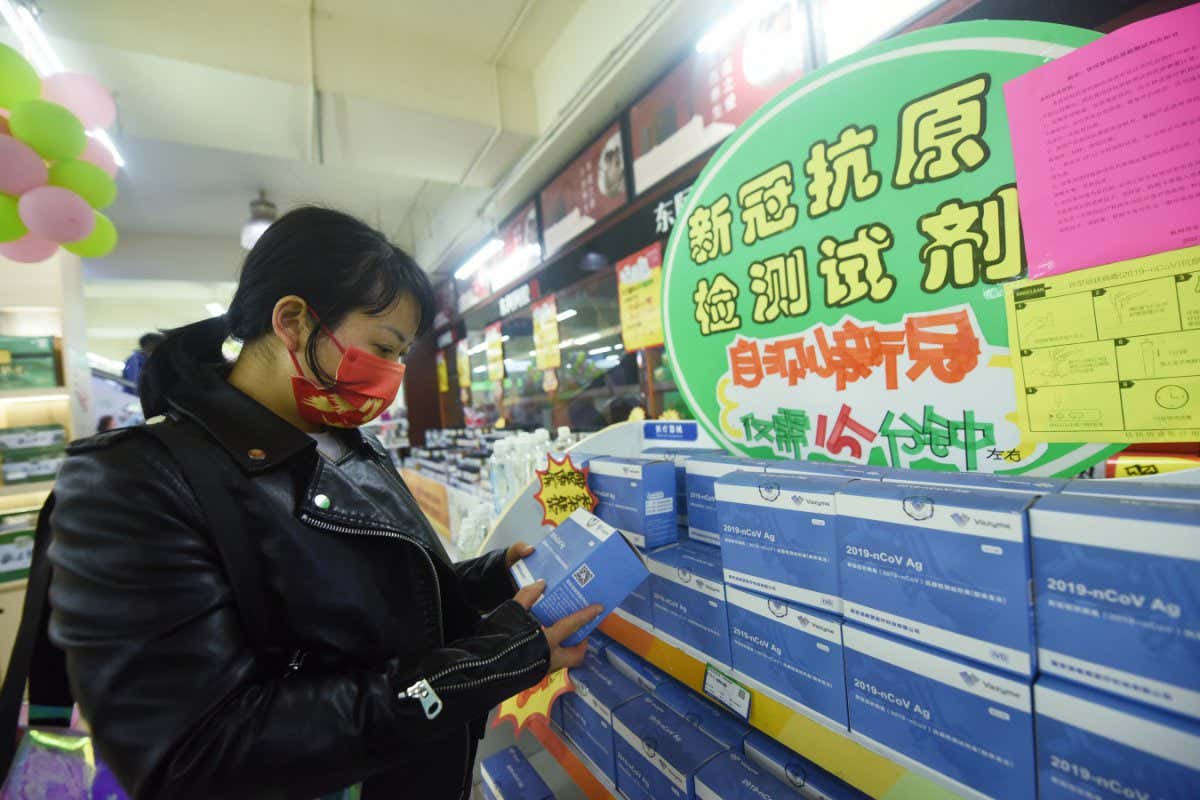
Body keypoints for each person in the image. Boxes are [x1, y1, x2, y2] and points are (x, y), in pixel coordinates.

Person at [47, 207, 598, 800]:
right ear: (292, 321)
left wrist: (480, 582)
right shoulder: (135, 481)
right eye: (382, 347)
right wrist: (482, 666)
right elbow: (197, 755)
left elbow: (351, 608)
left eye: (401, 355)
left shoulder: (348, 444)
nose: (391, 375)